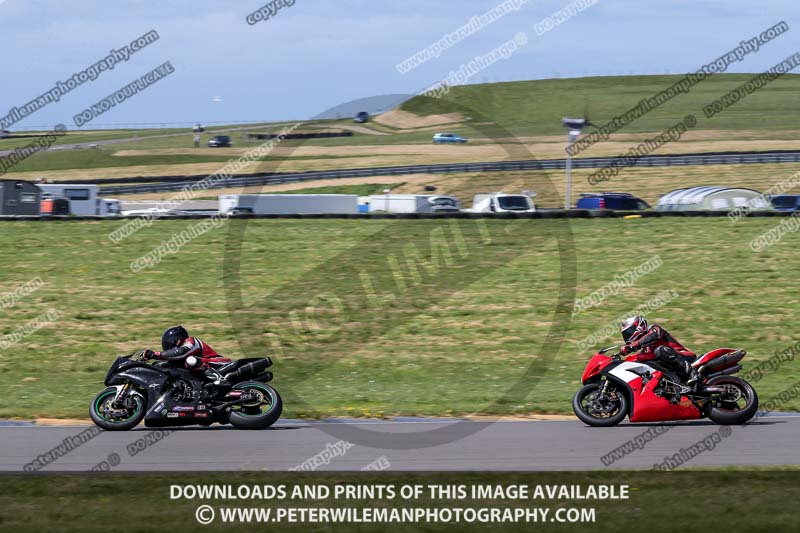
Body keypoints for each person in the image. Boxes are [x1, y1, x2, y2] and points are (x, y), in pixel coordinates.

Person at [619, 316, 700, 388]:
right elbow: (638, 359)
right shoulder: (646, 349)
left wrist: (633, 346)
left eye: (629, 332)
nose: (628, 337)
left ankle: (692, 372)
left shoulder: (654, 329)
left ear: (638, 327)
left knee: (660, 350)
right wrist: (620, 363)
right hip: (675, 368)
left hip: (685, 356)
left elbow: (653, 336)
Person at [142, 326, 231, 391]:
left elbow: (181, 352)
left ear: (177, 340)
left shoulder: (191, 341)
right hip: (205, 369)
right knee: (164, 365)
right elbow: (170, 358)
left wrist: (155, 354)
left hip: (219, 363)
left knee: (191, 360)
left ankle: (220, 380)